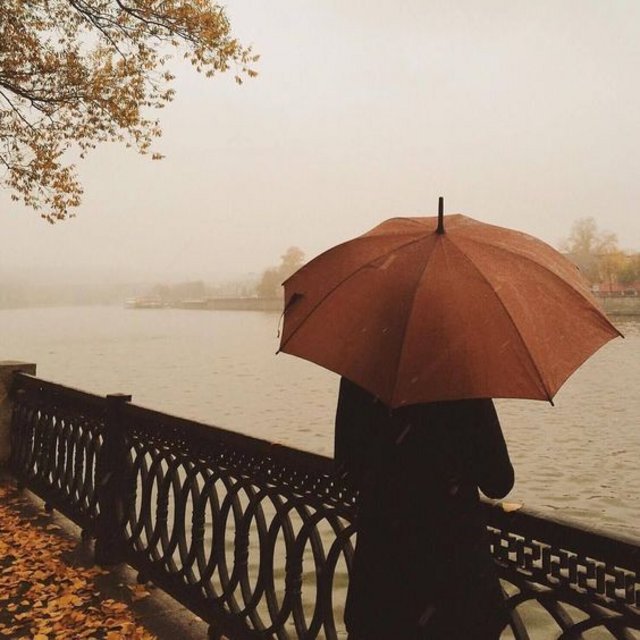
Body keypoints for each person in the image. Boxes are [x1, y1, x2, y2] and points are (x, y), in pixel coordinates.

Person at [335, 377, 515, 640]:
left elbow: (347, 472)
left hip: (381, 582)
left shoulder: (363, 376)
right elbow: (499, 481)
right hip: (454, 585)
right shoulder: (460, 378)